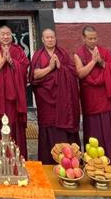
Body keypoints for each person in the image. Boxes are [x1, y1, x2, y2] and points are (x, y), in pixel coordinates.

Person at [73, 26, 111, 158]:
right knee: (95, 129)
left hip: (107, 95)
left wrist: (102, 62)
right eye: (90, 38)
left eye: (95, 38)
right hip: (91, 97)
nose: (93, 41)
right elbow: (80, 74)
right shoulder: (78, 54)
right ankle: (95, 159)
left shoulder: (105, 52)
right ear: (84, 38)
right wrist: (93, 62)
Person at [30, 28, 80, 164]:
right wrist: (50, 68)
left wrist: (61, 68)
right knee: (48, 126)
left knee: (63, 128)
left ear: (55, 38)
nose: (50, 39)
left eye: (52, 37)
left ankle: (68, 160)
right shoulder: (38, 55)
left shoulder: (62, 53)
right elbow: (34, 76)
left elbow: (72, 72)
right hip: (46, 101)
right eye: (47, 37)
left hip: (63, 101)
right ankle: (48, 161)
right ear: (42, 39)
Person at [0, 25, 29, 159]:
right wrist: (2, 61)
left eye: (8, 34)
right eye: (2, 34)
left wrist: (11, 61)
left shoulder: (18, 50)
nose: (5, 37)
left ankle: (17, 158)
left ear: (11, 36)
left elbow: (24, 70)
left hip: (14, 98)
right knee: (0, 124)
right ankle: (1, 158)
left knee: (14, 124)